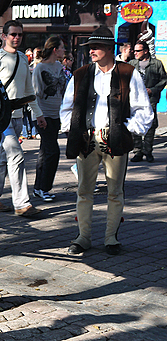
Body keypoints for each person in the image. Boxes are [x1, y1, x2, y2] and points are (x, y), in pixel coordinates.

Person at [60, 26, 154, 256]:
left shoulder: (127, 73)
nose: (91, 51)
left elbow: (144, 110)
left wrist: (125, 129)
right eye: (90, 47)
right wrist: (72, 130)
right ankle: (83, 237)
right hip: (87, 139)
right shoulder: (80, 74)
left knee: (115, 191)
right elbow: (66, 108)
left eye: (96, 47)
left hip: (115, 140)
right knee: (84, 190)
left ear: (109, 49)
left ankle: (111, 238)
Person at [0, 20, 46, 217]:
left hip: (18, 116)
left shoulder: (22, 58)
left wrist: (38, 114)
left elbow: (29, 90)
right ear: (4, 36)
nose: (17, 37)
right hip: (1, 117)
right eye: (13, 34)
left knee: (1, 159)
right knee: (16, 155)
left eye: (19, 34)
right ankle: (21, 203)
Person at [32, 36, 67, 202]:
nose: (64, 50)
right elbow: (36, 94)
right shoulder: (40, 68)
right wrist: (38, 116)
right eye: (62, 47)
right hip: (43, 115)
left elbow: (63, 89)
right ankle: (44, 188)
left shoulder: (59, 66)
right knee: (53, 152)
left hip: (56, 114)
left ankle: (38, 187)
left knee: (45, 152)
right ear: (55, 49)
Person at [128, 41, 167, 163]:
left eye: (138, 51)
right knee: (136, 124)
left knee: (151, 124)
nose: (135, 53)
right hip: (135, 99)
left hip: (151, 99)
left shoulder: (156, 64)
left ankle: (148, 151)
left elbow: (163, 79)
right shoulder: (132, 64)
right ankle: (137, 151)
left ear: (145, 51)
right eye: (134, 51)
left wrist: (153, 90)